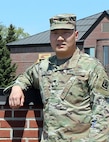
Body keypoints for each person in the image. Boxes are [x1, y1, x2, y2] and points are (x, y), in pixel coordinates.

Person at [4, 13, 109, 142]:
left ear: (76, 35)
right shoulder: (44, 67)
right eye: (55, 33)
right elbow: (26, 76)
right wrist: (17, 86)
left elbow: (103, 115)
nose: (59, 38)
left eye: (66, 33)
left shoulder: (91, 67)